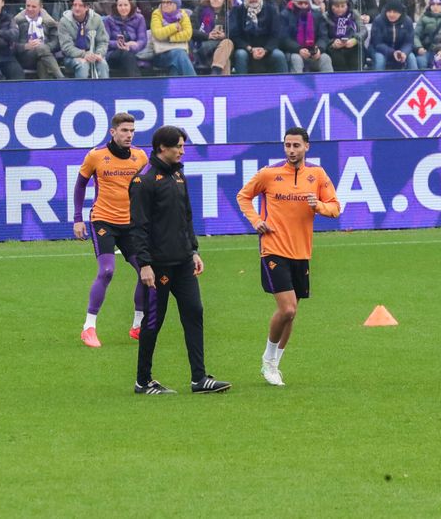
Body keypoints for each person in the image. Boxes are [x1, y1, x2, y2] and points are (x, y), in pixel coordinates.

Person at [129, 125, 231, 395]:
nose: (183, 152)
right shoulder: (144, 181)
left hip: (183, 262)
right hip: (158, 265)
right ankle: (143, 381)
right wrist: (145, 264)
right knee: (154, 322)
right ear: (163, 147)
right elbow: (138, 227)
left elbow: (186, 217)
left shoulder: (178, 175)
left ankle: (199, 379)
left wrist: (194, 250)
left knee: (194, 313)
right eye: (179, 147)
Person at [236, 127, 341, 386]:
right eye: (287, 145)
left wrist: (320, 206)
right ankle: (268, 361)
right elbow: (243, 196)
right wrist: (256, 220)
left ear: (307, 147)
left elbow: (336, 208)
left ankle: (275, 364)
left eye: (296, 145)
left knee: (291, 314)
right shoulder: (269, 174)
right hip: (273, 248)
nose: (291, 150)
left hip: (301, 252)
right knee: (288, 307)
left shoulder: (317, 175)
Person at [73, 112, 150, 348]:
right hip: (103, 220)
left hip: (131, 225)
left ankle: (138, 326)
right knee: (106, 271)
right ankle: (88, 328)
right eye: (124, 130)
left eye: (132, 131)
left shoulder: (140, 157)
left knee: (146, 273)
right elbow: (80, 185)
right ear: (113, 132)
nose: (129, 135)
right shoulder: (96, 156)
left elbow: (147, 189)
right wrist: (77, 218)